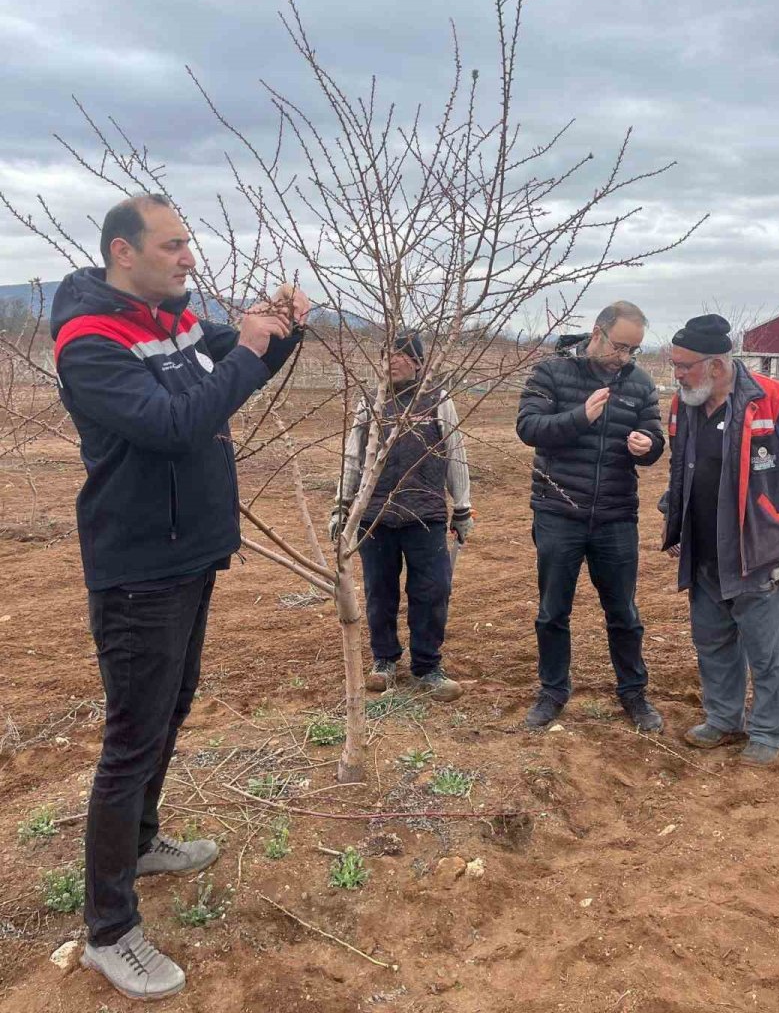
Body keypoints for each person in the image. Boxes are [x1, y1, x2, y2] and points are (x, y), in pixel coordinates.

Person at [51, 194, 310, 1000]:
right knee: (131, 740)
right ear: (123, 253)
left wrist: (280, 330)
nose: (189, 258)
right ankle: (109, 929)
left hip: (189, 554)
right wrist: (248, 351)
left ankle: (144, 842)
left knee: (173, 710)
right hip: (137, 570)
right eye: (173, 246)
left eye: (188, 244)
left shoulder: (176, 322)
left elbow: (244, 370)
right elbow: (172, 424)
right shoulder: (90, 342)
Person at [661, 314, 779, 767]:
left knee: (769, 650)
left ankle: (771, 731)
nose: (676, 374)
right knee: (712, 641)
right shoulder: (685, 405)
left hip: (759, 549)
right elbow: (685, 465)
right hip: (705, 549)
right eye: (674, 364)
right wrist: (673, 505)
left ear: (715, 366)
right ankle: (722, 719)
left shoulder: (772, 401)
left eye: (683, 365)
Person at [516, 301, 666, 731]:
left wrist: (648, 445)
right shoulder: (551, 372)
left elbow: (655, 437)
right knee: (553, 610)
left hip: (616, 514)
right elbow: (529, 428)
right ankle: (553, 691)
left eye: (633, 350)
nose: (625, 358)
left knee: (623, 611)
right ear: (597, 333)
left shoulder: (638, 383)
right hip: (558, 511)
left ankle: (634, 693)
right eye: (620, 347)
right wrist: (581, 416)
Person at [330, 332, 472, 701]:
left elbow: (456, 455)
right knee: (380, 591)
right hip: (374, 516)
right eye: (386, 354)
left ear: (418, 363)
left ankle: (427, 666)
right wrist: (343, 507)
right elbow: (352, 457)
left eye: (400, 354)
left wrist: (462, 509)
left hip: (425, 516)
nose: (391, 360)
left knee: (432, 590)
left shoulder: (437, 401)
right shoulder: (370, 404)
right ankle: (384, 661)